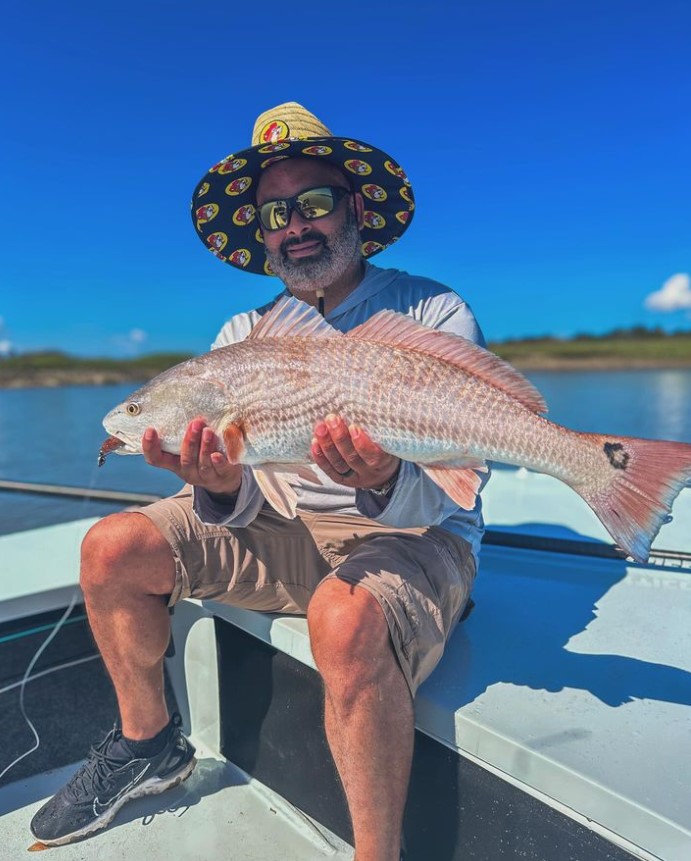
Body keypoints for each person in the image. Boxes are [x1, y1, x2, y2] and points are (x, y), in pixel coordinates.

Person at [31, 102, 488, 861]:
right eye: (276, 212)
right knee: (110, 547)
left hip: (410, 534)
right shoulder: (241, 336)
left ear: (354, 208)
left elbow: (458, 478)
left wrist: (381, 480)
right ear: (261, 232)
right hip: (284, 530)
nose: (295, 224)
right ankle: (148, 743)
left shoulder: (431, 309)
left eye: (312, 202)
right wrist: (214, 486)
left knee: (343, 620)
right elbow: (237, 503)